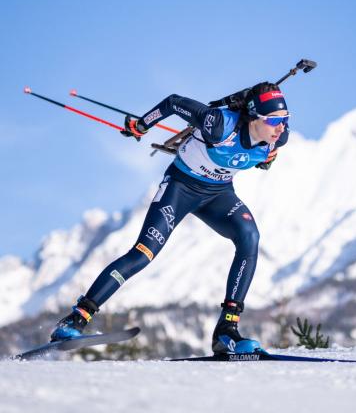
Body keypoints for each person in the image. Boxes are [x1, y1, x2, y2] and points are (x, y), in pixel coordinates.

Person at [50, 82, 290, 354]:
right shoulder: (218, 124)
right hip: (180, 189)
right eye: (274, 120)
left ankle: (226, 331)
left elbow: (256, 154)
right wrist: (142, 125)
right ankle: (77, 318)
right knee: (143, 253)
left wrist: (265, 159)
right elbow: (173, 102)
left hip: (218, 195)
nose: (281, 127)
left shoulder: (278, 137)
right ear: (254, 116)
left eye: (285, 119)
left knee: (250, 237)